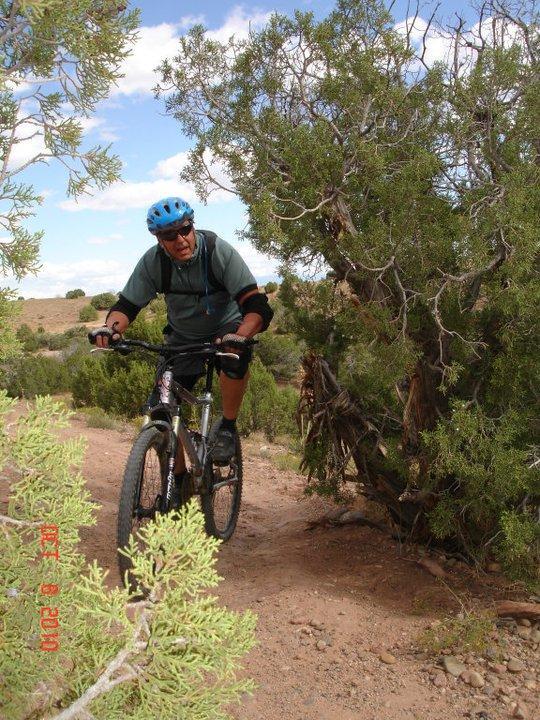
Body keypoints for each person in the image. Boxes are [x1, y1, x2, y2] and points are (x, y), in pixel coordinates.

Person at [89, 196, 273, 477]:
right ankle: (178, 480)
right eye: (168, 235)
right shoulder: (154, 262)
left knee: (235, 359)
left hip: (228, 328)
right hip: (183, 339)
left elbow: (256, 305)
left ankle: (227, 426)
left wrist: (241, 336)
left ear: (192, 226)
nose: (180, 240)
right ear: (158, 239)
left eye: (184, 230)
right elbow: (126, 306)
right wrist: (111, 329)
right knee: (160, 413)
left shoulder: (217, 251)